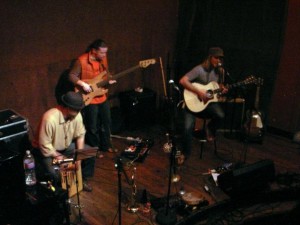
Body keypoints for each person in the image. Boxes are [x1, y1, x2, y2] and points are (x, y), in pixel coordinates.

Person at [32, 91, 95, 192]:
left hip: (64, 147)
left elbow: (80, 136)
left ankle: (81, 180)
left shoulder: (76, 115)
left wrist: (79, 157)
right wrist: (61, 158)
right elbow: (44, 145)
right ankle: (64, 190)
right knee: (54, 172)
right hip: (46, 151)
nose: (79, 111)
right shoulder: (49, 119)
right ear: (68, 107)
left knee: (89, 152)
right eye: (77, 109)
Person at [68, 39, 117, 158]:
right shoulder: (81, 60)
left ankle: (106, 145)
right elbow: (71, 76)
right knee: (92, 126)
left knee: (107, 122)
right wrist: (82, 84)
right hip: (90, 98)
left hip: (101, 95)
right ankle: (95, 150)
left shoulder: (103, 59)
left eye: (106, 53)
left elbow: (105, 74)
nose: (104, 55)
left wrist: (108, 80)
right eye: (102, 53)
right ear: (94, 51)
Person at [179, 47, 228, 159]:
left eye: (220, 58)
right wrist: (199, 92)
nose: (219, 60)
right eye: (216, 58)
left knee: (221, 115)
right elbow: (183, 81)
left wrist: (223, 89)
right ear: (210, 57)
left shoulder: (220, 72)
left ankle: (209, 128)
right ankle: (185, 153)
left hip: (207, 104)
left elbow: (218, 88)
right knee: (187, 128)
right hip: (193, 103)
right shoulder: (199, 69)